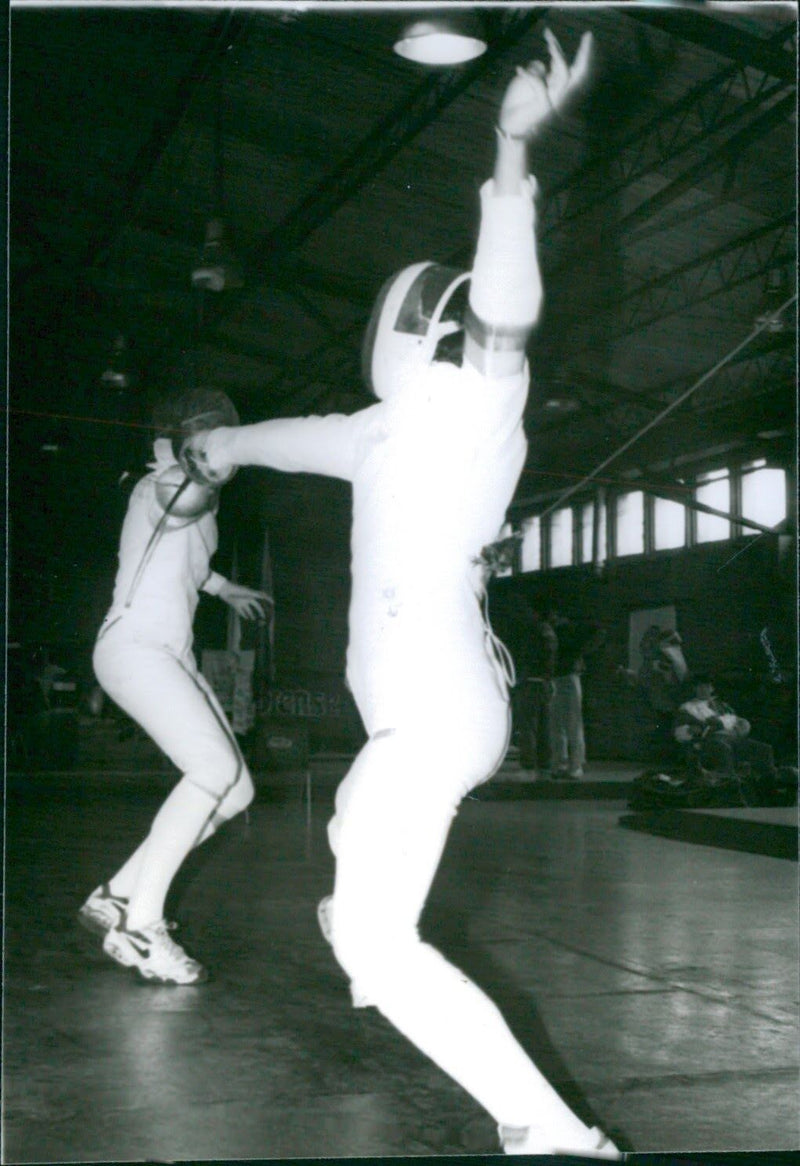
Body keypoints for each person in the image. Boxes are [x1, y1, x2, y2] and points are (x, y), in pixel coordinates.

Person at [179, 32, 619, 1157]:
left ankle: (551, 1132)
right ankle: (368, 929)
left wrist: (510, 155)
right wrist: (215, 444)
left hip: (439, 707)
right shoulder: (372, 431)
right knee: (348, 834)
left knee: (376, 940)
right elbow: (280, 440)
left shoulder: (469, 396)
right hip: (414, 712)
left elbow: (509, 312)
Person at [78, 388, 271, 986]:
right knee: (210, 770)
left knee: (234, 792)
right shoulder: (159, 482)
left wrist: (225, 589)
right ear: (192, 443)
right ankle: (141, 924)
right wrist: (186, 458)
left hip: (171, 655)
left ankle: (116, 895)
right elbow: (179, 497)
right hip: (134, 648)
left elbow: (189, 560)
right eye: (216, 439)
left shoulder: (200, 508)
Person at [673, 673, 780, 784]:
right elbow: (680, 731)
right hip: (708, 743)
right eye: (699, 687)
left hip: (732, 738)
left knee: (764, 749)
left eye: (706, 686)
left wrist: (724, 724)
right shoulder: (688, 707)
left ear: (712, 688)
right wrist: (691, 729)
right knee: (722, 747)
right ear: (694, 689)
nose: (703, 689)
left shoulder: (721, 705)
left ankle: (771, 783)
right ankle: (729, 783)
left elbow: (737, 722)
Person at [548, 614, 605, 780]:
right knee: (566, 723)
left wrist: (581, 652)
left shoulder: (567, 630)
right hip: (565, 675)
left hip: (563, 675)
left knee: (564, 723)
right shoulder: (567, 629)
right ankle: (571, 764)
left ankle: (569, 764)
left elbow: (598, 631)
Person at [512, 604, 558, 777]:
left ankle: (528, 764)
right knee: (544, 725)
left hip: (531, 682)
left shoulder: (534, 632)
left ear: (536, 613)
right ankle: (544, 763)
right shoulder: (550, 633)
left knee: (528, 725)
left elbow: (528, 656)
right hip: (545, 682)